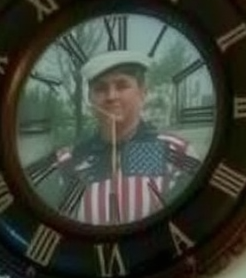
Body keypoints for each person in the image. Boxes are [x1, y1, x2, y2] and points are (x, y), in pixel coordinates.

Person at [51, 50, 199, 225]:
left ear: (143, 93)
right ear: (90, 98)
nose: (111, 96)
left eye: (122, 85)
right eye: (100, 88)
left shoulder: (178, 153)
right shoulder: (68, 162)